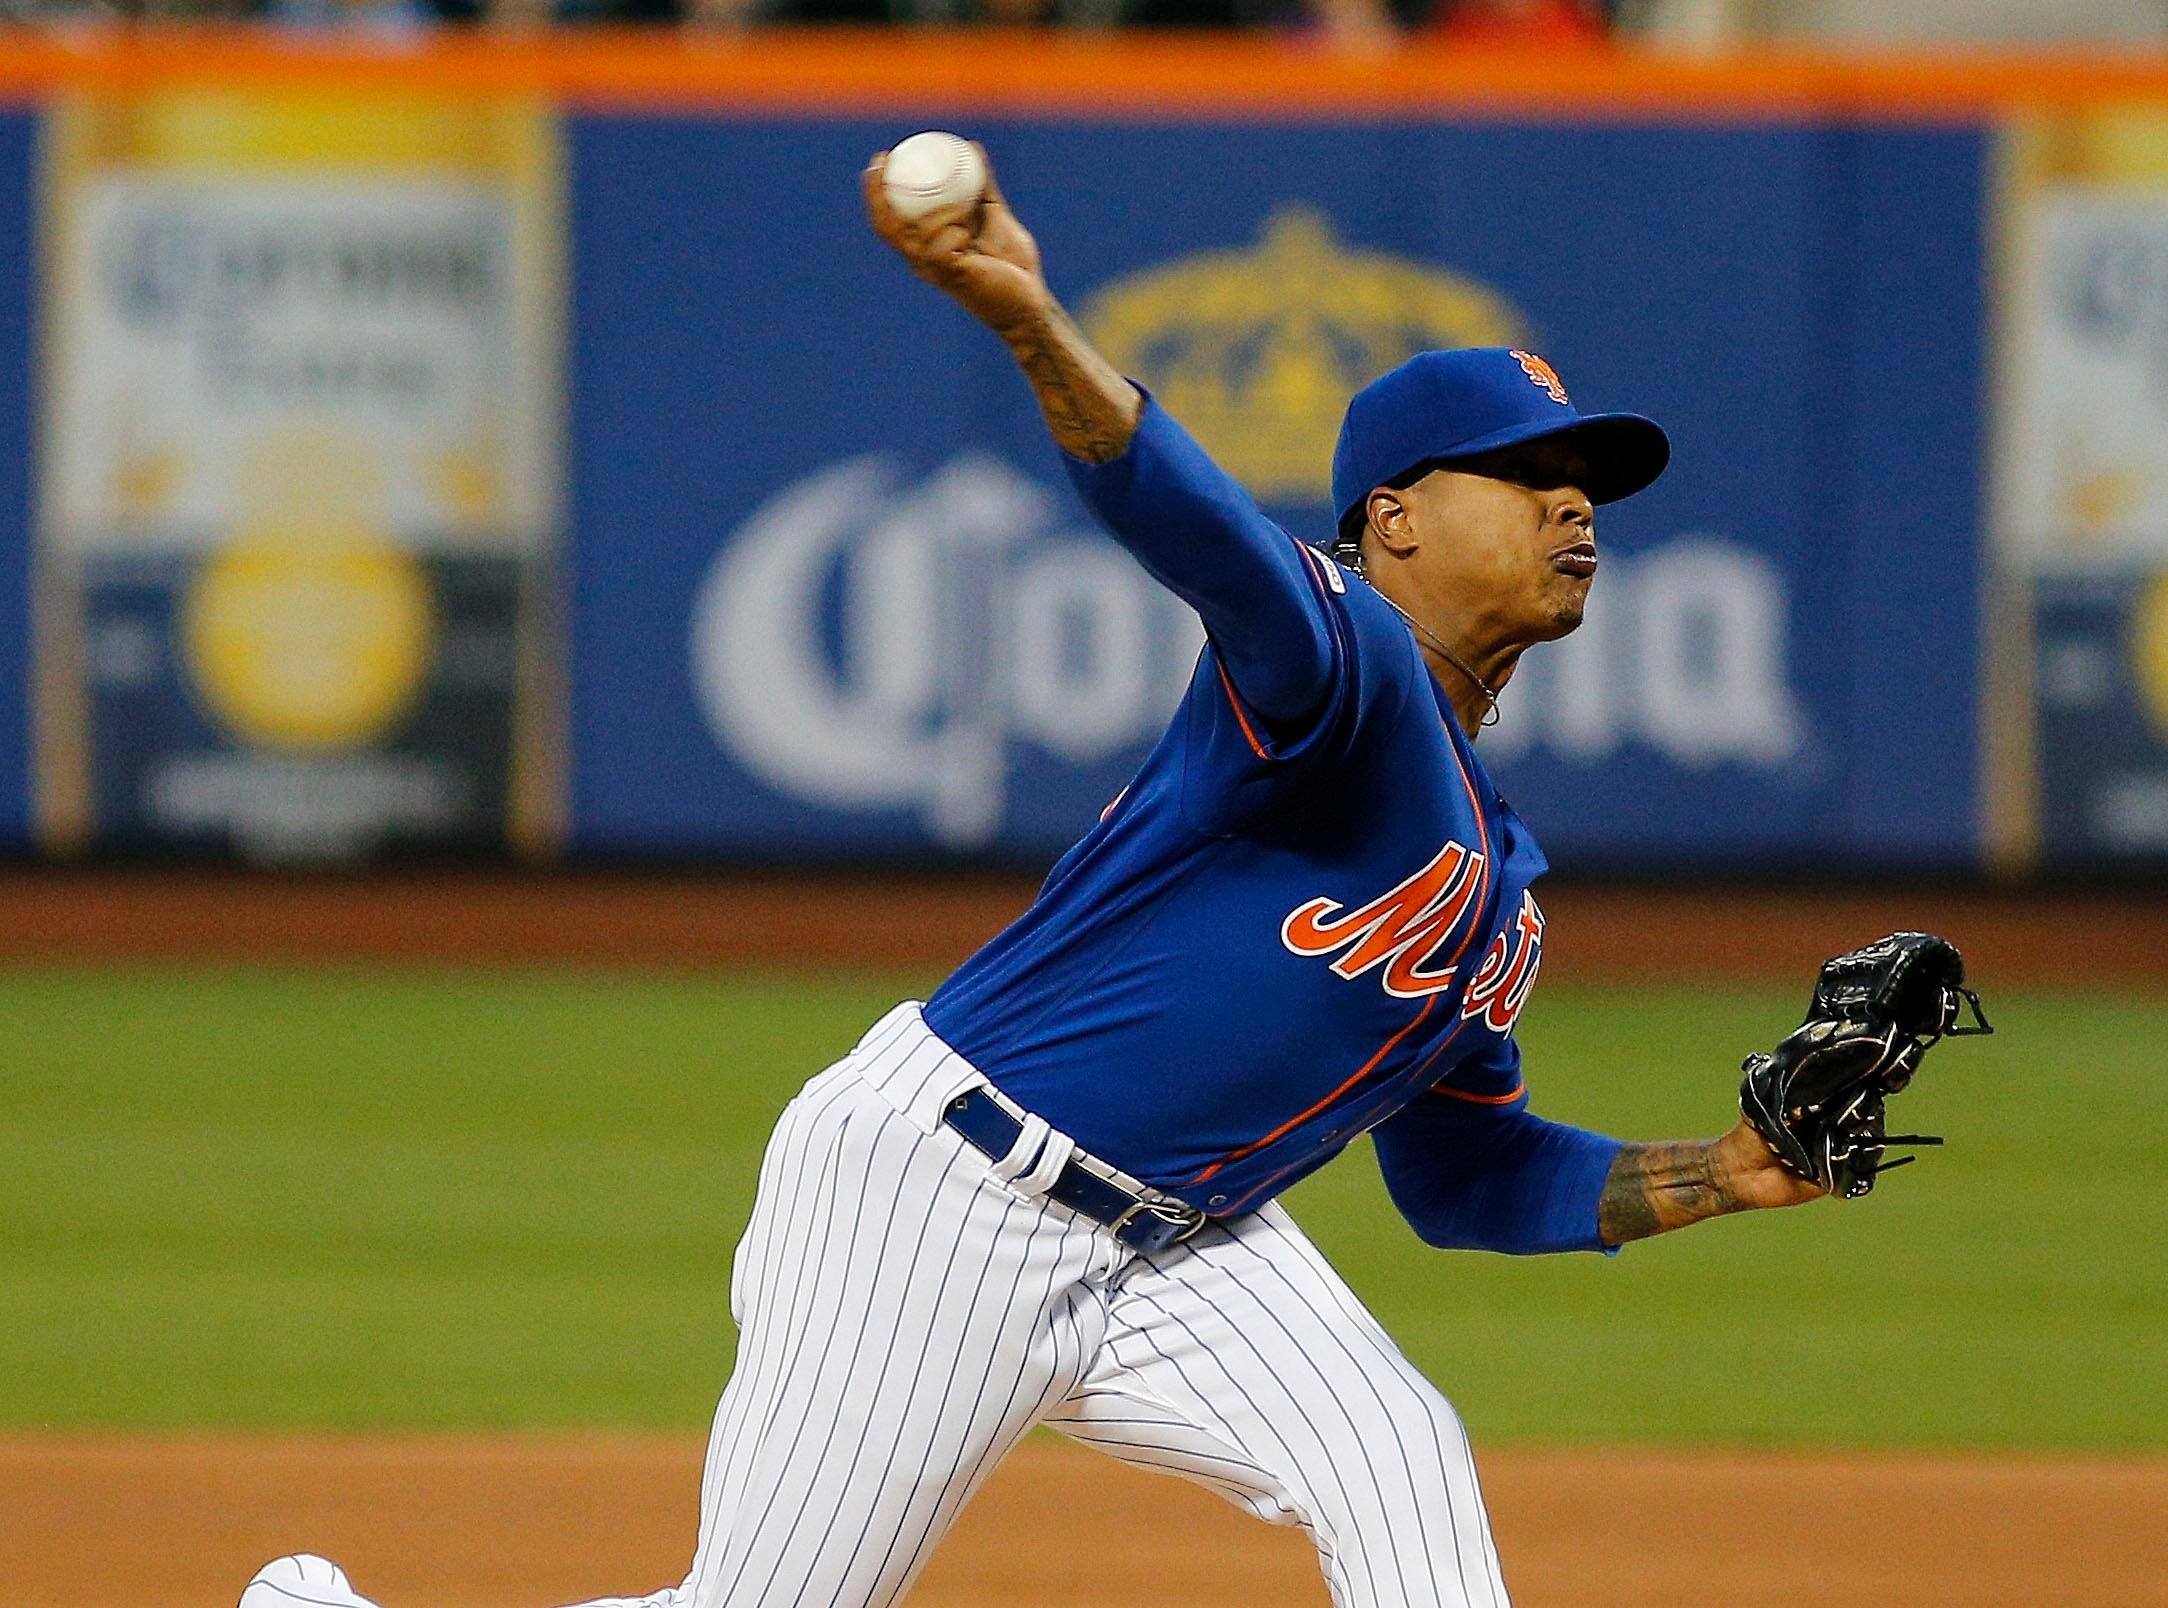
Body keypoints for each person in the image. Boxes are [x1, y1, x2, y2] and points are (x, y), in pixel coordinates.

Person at [239, 142, 1826, 1608]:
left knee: (1398, 1463)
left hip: (1186, 1243)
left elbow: (1469, 1180)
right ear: (1389, 522)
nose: (1572, 501)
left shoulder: (1496, 885)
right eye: (1521, 467)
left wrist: (1733, 1171)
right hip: (941, 1191)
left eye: (1585, 479)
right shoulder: (1340, 658)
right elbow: (1194, 528)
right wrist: (1030, 324)